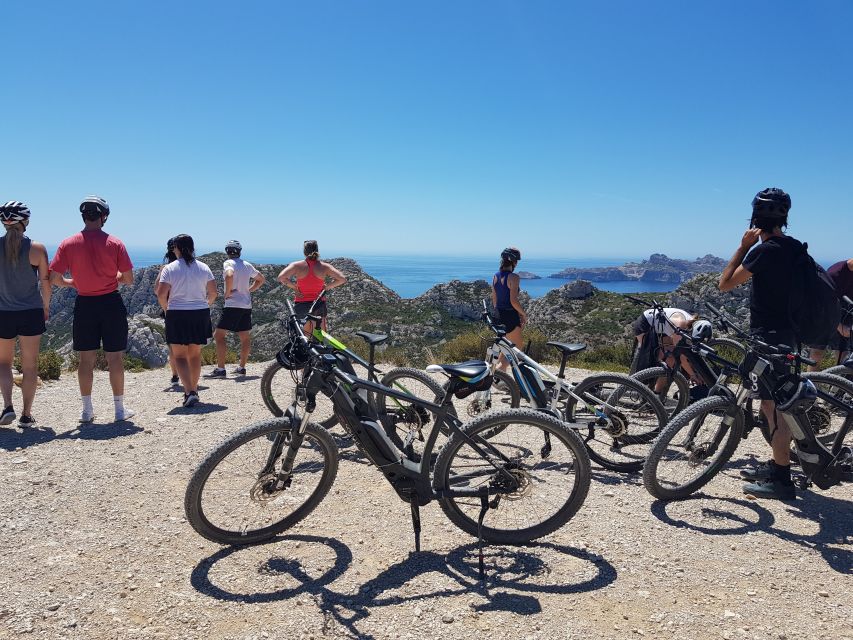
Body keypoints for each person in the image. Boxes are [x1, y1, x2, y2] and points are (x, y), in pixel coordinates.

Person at [718, 187, 802, 499]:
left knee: (778, 409)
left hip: (769, 339)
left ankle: (782, 479)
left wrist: (743, 247)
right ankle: (778, 464)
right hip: (790, 336)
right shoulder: (794, 247)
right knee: (770, 404)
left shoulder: (765, 251)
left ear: (755, 217)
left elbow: (725, 284)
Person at [49, 196, 135, 423]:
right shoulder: (115, 243)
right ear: (103, 217)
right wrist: (112, 276)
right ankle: (119, 410)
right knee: (114, 358)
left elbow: (54, 278)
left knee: (85, 360)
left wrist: (73, 282)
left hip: (85, 304)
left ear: (83, 216)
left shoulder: (68, 244)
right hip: (111, 303)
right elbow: (128, 279)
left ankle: (87, 411)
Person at [0, 202, 51, 427]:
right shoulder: (37, 249)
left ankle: (7, 406)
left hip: (3, 313)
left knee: (3, 363)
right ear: (25, 222)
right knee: (30, 366)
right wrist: (46, 307)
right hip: (31, 312)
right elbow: (46, 282)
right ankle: (26, 415)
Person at [156, 234, 216, 407]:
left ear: (177, 248)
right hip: (200, 313)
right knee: (195, 354)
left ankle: (189, 392)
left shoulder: (170, 268)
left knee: (180, 356)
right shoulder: (204, 267)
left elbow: (160, 294)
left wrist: (167, 310)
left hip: (177, 313)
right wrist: (205, 305)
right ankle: (194, 390)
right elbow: (213, 293)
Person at [210, 240, 266, 377]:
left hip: (232, 305)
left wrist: (227, 293)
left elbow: (229, 275)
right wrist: (249, 290)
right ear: (239, 251)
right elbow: (261, 279)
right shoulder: (247, 265)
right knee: (245, 337)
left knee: (219, 335)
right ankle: (241, 368)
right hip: (246, 305)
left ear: (227, 251)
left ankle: (221, 369)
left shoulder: (228, 263)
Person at [277, 240, 347, 335]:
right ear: (317, 250)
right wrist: (327, 287)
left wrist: (295, 287)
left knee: (305, 338)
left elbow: (281, 277)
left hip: (302, 304)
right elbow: (342, 279)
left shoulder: (297, 265)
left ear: (304, 252)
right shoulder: (324, 266)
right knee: (320, 337)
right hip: (319, 304)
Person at [631, 306, 698, 392]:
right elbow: (681, 356)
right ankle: (635, 384)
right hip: (646, 324)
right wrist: (692, 374)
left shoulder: (689, 322)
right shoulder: (681, 323)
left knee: (671, 359)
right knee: (654, 356)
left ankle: (657, 392)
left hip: (662, 329)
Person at [807, 258, 853, 369]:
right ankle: (810, 382)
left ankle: (839, 384)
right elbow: (823, 303)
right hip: (824, 314)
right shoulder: (835, 273)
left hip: (845, 312)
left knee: (843, 355)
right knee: (816, 354)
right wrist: (840, 326)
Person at [491, 247, 527, 371]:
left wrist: (498, 315)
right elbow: (513, 301)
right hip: (510, 316)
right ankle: (499, 372)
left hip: (498, 315)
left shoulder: (495, 276)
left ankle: (501, 377)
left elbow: (494, 300)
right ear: (514, 262)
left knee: (506, 347)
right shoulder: (514, 277)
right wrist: (523, 314)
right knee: (516, 349)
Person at [159, 238, 180, 385]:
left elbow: (157, 290)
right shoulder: (190, 267)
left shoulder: (166, 268)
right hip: (191, 309)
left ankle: (175, 375)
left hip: (171, 310)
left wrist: (165, 308)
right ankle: (191, 376)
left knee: (173, 346)